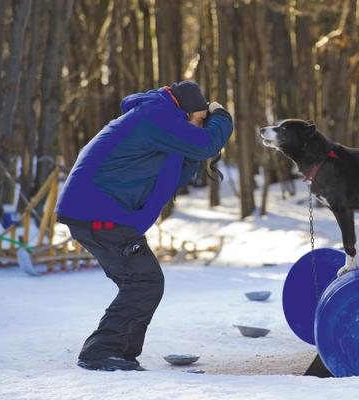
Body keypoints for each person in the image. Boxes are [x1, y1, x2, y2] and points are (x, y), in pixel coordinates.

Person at [55, 81, 233, 371]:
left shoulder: (160, 121)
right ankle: (100, 352)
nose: (202, 126)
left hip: (100, 212)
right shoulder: (155, 116)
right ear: (186, 111)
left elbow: (174, 177)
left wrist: (197, 148)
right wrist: (222, 118)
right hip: (98, 212)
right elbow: (207, 143)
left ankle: (121, 353)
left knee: (140, 282)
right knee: (144, 281)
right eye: (201, 120)